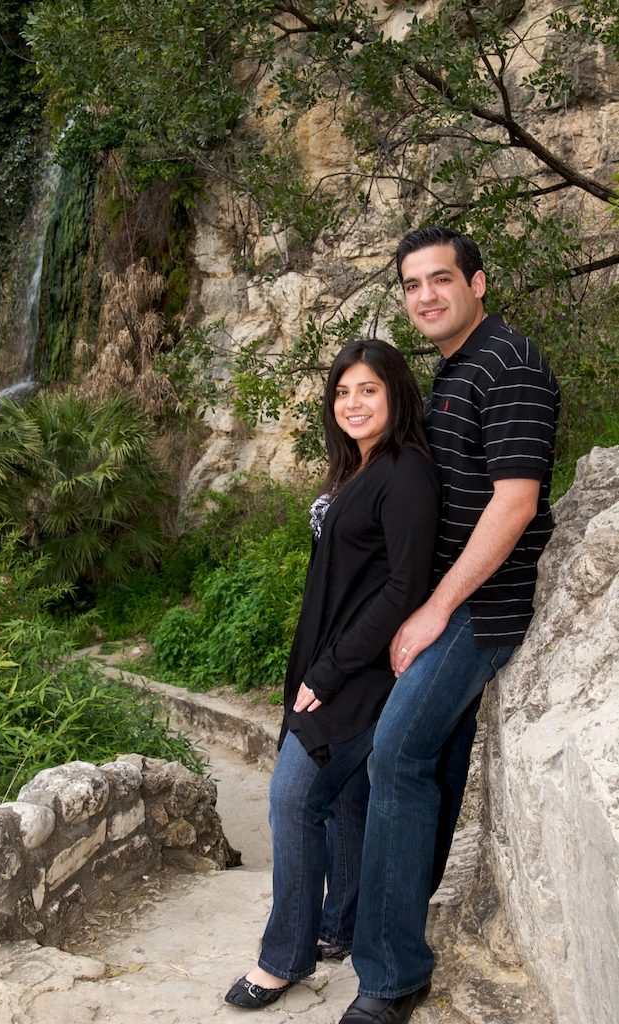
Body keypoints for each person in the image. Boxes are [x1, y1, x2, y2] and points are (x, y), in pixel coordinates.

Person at [338, 226, 560, 1024]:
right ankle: (384, 925)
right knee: (424, 769)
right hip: (444, 604)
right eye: (411, 284)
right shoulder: (452, 370)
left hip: (480, 609)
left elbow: (514, 502)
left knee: (395, 757)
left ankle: (392, 975)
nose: (425, 295)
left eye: (440, 279)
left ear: (478, 282)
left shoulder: (510, 367)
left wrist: (433, 611)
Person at [225, 339, 441, 1009]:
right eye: (342, 392)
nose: (352, 403)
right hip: (333, 661)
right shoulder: (356, 467)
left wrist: (331, 666)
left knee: (294, 800)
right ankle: (335, 928)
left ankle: (283, 956)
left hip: (361, 672)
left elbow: (403, 585)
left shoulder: (405, 470)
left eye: (367, 390)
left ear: (395, 394)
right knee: (344, 800)